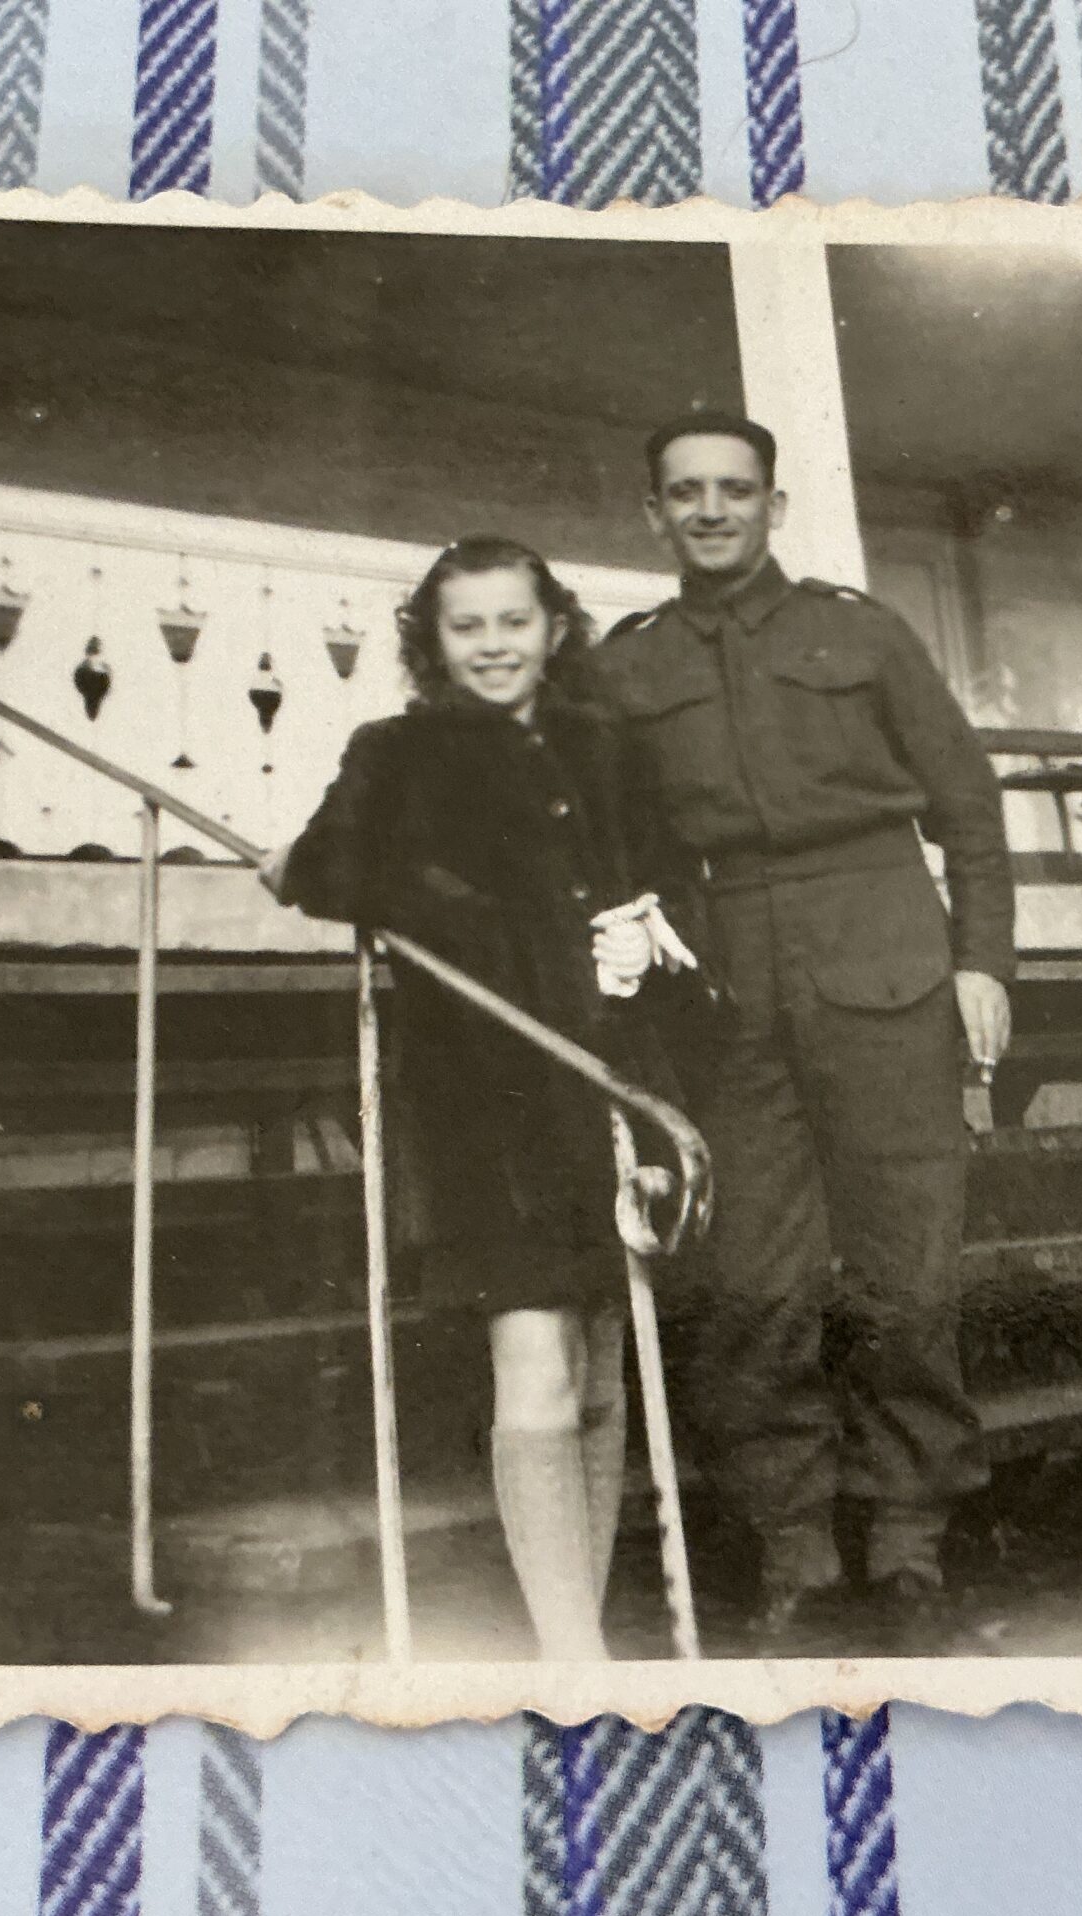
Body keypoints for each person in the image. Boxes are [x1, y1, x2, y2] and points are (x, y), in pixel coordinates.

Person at [587, 410, 1016, 1652]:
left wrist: (982, 962)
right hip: (719, 979)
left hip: (879, 949)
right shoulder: (626, 666)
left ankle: (909, 1537)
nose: (710, 510)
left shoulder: (860, 631)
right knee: (750, 1278)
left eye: (735, 489)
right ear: (653, 514)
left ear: (773, 506)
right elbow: (599, 829)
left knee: (904, 1267)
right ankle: (794, 1544)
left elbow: (968, 810)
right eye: (685, 491)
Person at [260, 535, 682, 1662]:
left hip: (606, 1078)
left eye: (513, 621)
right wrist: (465, 914)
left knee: (597, 1377)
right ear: (432, 640)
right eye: (467, 626)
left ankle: (580, 1638)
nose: (493, 645)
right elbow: (323, 868)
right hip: (485, 1097)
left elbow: (666, 878)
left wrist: (646, 934)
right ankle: (572, 1657)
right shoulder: (399, 751)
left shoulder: (606, 747)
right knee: (536, 1371)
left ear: (554, 629)